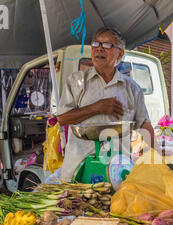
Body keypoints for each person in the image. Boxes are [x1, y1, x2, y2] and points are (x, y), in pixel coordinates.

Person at [57, 27, 155, 182]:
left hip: (118, 172)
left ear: (120, 54)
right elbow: (62, 119)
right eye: (96, 44)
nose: (99, 49)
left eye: (107, 45)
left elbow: (145, 126)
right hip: (78, 170)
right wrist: (97, 107)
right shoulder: (76, 81)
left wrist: (153, 161)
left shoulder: (132, 88)